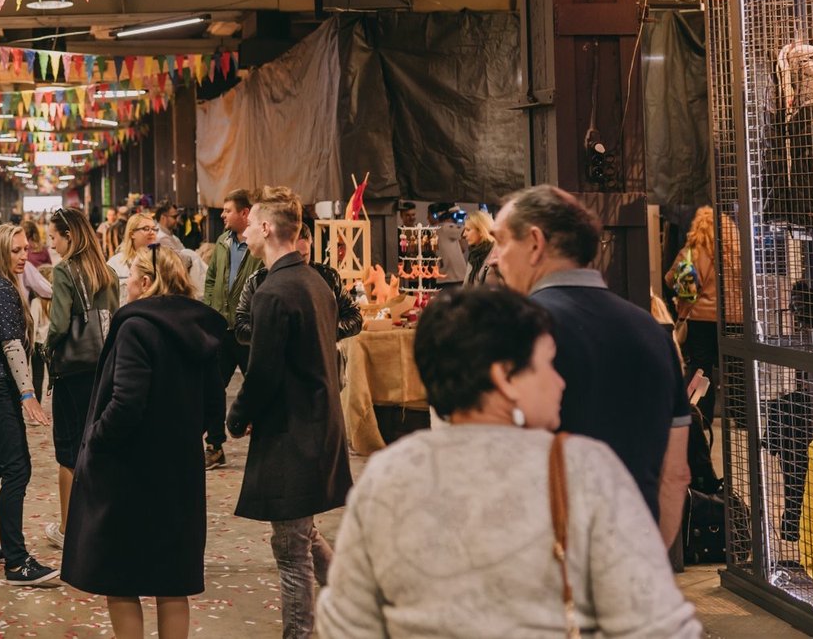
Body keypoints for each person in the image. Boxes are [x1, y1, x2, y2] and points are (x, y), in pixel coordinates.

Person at [315, 286, 703, 639]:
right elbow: (656, 624)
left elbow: (346, 623)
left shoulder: (387, 476)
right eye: (546, 364)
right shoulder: (582, 469)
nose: (559, 381)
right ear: (504, 378)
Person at [488, 185, 692, 548]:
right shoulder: (655, 333)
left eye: (501, 242)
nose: (494, 259)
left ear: (535, 243)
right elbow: (675, 475)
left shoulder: (515, 330)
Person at [63, 245, 227, 639]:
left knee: (121, 580)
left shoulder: (137, 327)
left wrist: (95, 441)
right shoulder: (200, 327)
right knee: (173, 583)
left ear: (148, 282)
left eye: (131, 278)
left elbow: (126, 402)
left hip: (131, 474)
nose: (127, 286)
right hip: (180, 471)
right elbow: (214, 404)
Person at [228, 187, 350, 639]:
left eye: (250, 223)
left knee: (290, 549)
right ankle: (352, 597)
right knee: (300, 532)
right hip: (317, 426)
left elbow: (262, 375)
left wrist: (236, 417)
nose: (245, 231)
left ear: (264, 228)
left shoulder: (274, 291)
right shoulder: (314, 281)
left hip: (294, 435)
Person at [0, 225, 60, 586]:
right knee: (17, 468)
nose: (24, 256)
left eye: (26, 249)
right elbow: (11, 346)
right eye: (16, 250)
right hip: (1, 389)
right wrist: (27, 394)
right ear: (1, 250)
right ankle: (17, 562)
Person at [45, 206, 119, 550]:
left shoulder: (64, 272)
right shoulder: (107, 272)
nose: (52, 244)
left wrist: (45, 348)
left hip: (73, 370)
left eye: (54, 237)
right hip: (104, 368)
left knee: (68, 450)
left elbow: (59, 324)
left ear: (69, 236)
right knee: (99, 444)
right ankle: (102, 521)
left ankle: (68, 527)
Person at [202, 189, 261, 469]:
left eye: (227, 210)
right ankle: (214, 446)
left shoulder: (258, 244)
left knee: (260, 385)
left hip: (249, 329)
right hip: (221, 328)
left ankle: (265, 444)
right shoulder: (223, 242)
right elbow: (212, 277)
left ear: (244, 213)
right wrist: (212, 308)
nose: (222, 215)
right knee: (213, 387)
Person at [235, 223, 363, 347]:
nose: (299, 262)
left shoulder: (329, 277)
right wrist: (277, 332)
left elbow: (355, 318)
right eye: (294, 257)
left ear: (310, 245)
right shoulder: (257, 281)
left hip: (320, 360)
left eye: (304, 255)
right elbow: (241, 328)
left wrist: (324, 331)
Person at [666, 205, 737, 423]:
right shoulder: (737, 252)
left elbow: (676, 283)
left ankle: (700, 413)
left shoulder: (691, 252)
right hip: (735, 319)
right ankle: (742, 415)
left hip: (700, 319)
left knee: (701, 367)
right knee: (735, 369)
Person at [106, 212, 159, 294]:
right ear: (132, 234)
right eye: (146, 228)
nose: (152, 232)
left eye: (154, 229)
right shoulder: (115, 263)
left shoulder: (161, 259)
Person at [462, 209, 495, 285]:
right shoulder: (474, 254)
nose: (464, 234)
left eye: (468, 230)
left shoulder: (494, 255)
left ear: (481, 231)